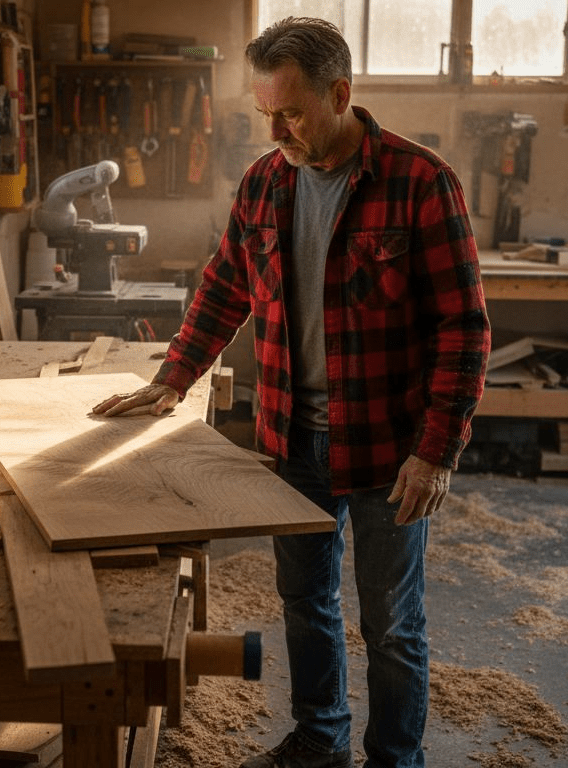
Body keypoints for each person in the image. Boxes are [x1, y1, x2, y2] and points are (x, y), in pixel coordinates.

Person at [92, 16, 490, 768]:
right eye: (264, 113)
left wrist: (436, 454)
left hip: (386, 445)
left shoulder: (420, 181)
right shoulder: (264, 183)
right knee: (306, 606)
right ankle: (319, 741)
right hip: (290, 440)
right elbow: (224, 289)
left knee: (391, 623)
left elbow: (463, 330)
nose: (276, 130)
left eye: (292, 113)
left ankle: (394, 759)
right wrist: (174, 377)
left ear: (340, 94)